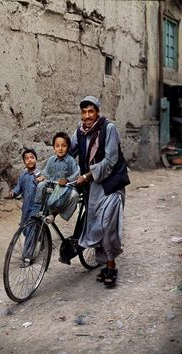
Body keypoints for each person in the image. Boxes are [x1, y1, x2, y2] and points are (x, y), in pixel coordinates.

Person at [70, 95, 130, 287]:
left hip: (110, 184)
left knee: (106, 225)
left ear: (97, 112)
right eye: (84, 112)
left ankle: (111, 266)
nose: (87, 116)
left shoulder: (108, 129)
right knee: (96, 224)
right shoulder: (79, 132)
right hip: (93, 188)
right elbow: (68, 152)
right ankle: (104, 265)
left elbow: (111, 161)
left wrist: (87, 176)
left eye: (91, 111)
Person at [33, 132, 80, 224]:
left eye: (64, 146)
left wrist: (67, 180)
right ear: (54, 147)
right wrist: (42, 176)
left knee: (75, 195)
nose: (60, 148)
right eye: (57, 146)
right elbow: (46, 171)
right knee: (41, 185)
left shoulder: (70, 160)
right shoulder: (51, 159)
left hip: (63, 188)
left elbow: (76, 173)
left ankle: (56, 213)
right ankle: (38, 208)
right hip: (51, 185)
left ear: (68, 147)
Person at [9, 148, 40, 225]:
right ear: (24, 162)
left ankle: (33, 237)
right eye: (27, 159)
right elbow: (18, 187)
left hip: (37, 205)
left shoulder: (41, 174)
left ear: (36, 159)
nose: (29, 160)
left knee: (33, 224)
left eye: (32, 157)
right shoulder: (23, 176)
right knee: (24, 224)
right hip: (26, 205)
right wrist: (14, 192)